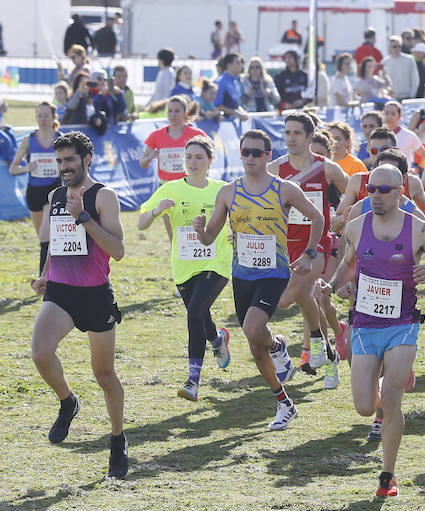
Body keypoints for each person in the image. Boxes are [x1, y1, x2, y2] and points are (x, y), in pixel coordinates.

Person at [325, 165, 425, 497]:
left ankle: (387, 476)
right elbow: (347, 263)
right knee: (365, 407)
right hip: (365, 324)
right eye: (370, 189)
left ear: (400, 192)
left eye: (383, 190)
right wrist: (333, 285)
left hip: (403, 324)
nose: (375, 196)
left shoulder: (420, 231)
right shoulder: (355, 226)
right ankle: (390, 377)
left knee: (392, 402)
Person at [195, 130, 323, 431]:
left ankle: (279, 347)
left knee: (252, 327)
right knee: (255, 346)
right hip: (242, 275)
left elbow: (317, 218)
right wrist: (200, 230)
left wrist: (310, 253)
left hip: (274, 272)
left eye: (256, 152)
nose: (249, 157)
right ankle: (284, 402)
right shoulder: (228, 192)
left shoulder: (285, 189)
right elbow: (210, 237)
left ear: (267, 155)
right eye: (245, 152)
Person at [31, 132, 129, 477]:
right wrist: (44, 274)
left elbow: (117, 250)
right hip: (60, 291)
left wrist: (85, 217)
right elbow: (57, 243)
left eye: (69, 160)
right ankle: (68, 401)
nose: (63, 167)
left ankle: (117, 440)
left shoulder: (104, 196)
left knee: (103, 374)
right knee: (41, 353)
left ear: (87, 160)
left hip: (95, 294)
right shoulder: (55, 194)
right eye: (59, 161)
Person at [136, 134, 233, 401]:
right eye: (188, 157)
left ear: (211, 160)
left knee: (194, 313)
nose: (193, 162)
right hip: (184, 265)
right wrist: (157, 211)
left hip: (217, 260)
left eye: (199, 157)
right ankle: (216, 340)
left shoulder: (223, 189)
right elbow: (141, 223)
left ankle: (193, 381)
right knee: (199, 312)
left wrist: (236, 233)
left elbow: (240, 218)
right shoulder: (171, 189)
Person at [270, 113, 350, 386]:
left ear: (309, 135)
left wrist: (340, 217)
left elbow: (355, 194)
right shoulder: (275, 169)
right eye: (287, 132)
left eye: (296, 133)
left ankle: (318, 345)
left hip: (318, 244)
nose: (290, 138)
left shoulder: (327, 169)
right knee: (304, 298)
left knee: (298, 295)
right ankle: (327, 348)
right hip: (285, 246)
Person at [9, 101, 62, 264]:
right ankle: (54, 272)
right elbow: (13, 168)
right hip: (34, 192)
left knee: (46, 236)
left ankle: (45, 281)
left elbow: (70, 165)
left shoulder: (60, 139)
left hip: (53, 190)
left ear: (54, 117)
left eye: (46, 115)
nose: (43, 119)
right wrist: (27, 168)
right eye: (39, 115)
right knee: (43, 237)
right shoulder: (28, 139)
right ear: (36, 117)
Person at [140, 96, 208, 184]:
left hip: (190, 185)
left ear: (185, 113)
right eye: (170, 111)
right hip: (166, 186)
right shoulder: (156, 135)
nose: (173, 115)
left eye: (177, 111)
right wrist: (149, 158)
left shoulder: (196, 135)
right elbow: (142, 164)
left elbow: (209, 157)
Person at [211, 54, 247, 120]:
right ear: (229, 65)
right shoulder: (220, 82)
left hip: (234, 122)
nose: (241, 65)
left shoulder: (237, 82)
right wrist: (235, 112)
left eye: (241, 62)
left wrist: (241, 111)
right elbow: (216, 105)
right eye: (237, 62)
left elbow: (237, 104)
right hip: (222, 123)